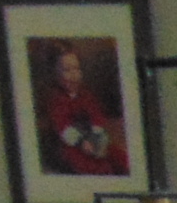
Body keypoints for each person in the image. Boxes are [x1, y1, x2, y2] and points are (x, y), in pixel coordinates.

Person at [36, 43, 127, 177]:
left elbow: (96, 113)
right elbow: (62, 126)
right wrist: (81, 142)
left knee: (116, 154)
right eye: (67, 70)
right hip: (70, 142)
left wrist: (97, 132)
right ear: (55, 74)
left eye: (76, 69)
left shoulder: (84, 94)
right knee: (86, 163)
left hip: (90, 135)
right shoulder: (56, 100)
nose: (74, 75)